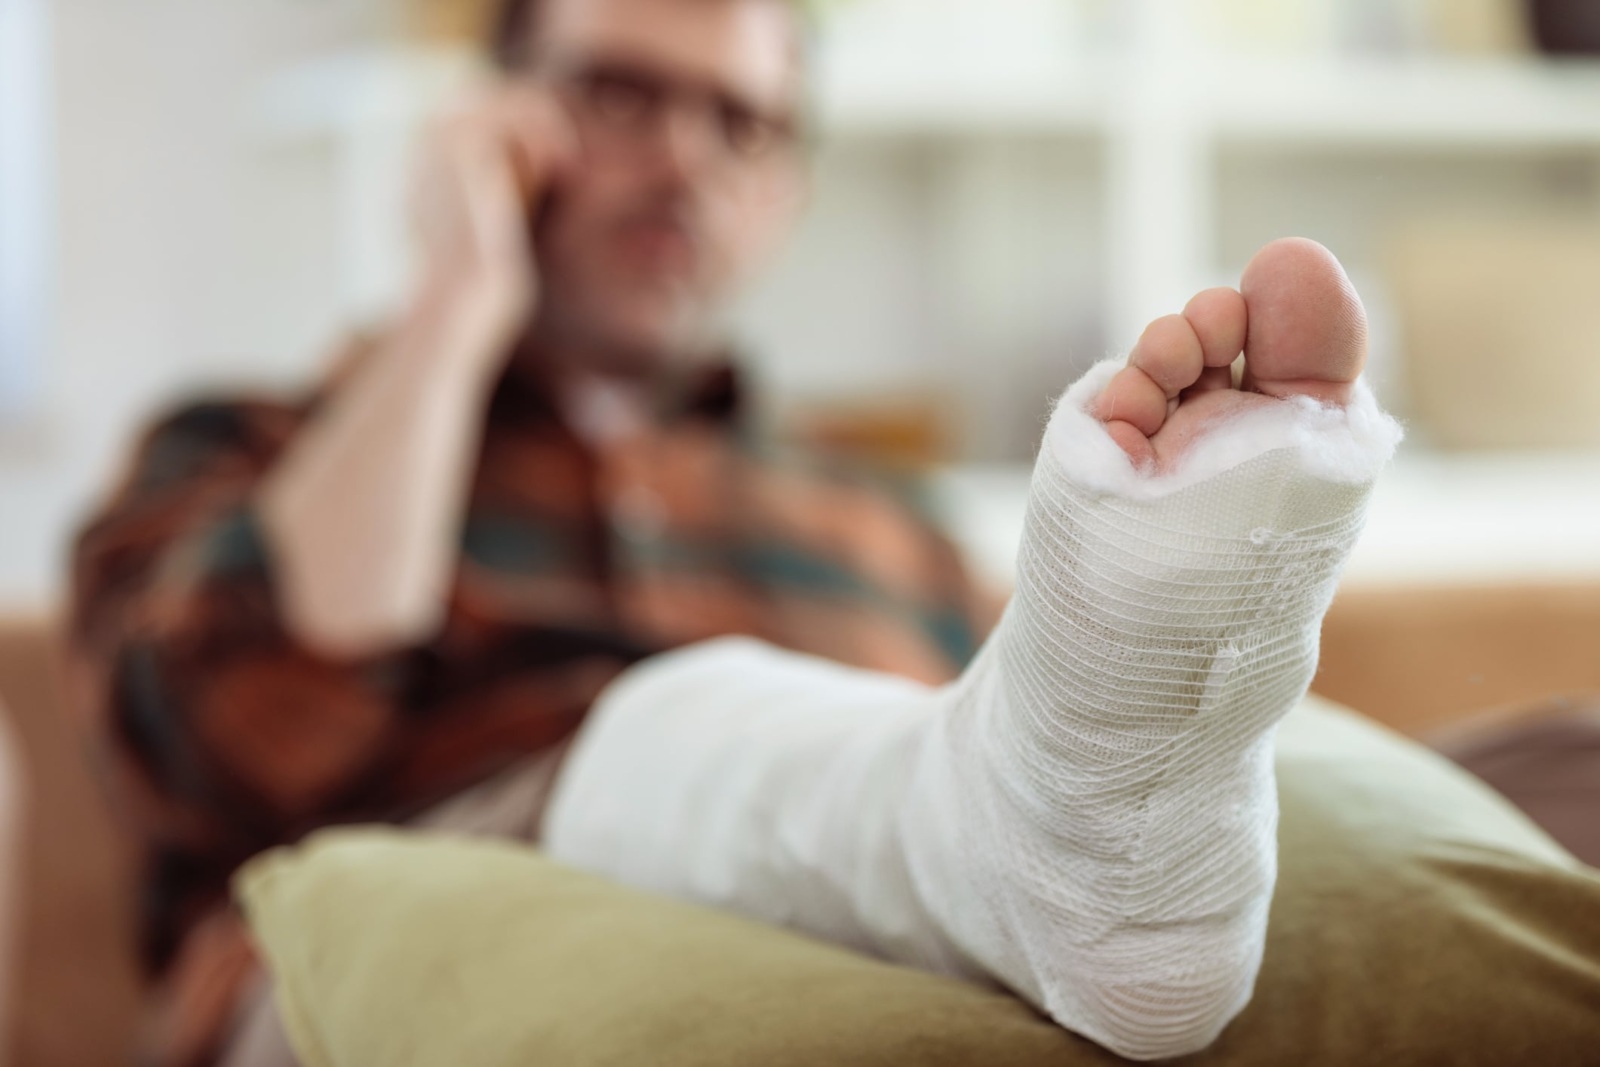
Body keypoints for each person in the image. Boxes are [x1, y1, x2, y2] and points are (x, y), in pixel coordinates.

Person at [63, 0, 1397, 1064]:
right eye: (619, 92)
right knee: (829, 771)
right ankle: (991, 839)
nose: (685, 155)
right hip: (404, 921)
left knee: (1550, 771)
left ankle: (1040, 855)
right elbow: (228, 748)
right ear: (490, 125)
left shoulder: (887, 520)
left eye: (741, 122)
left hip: (843, 931)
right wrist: (454, 304)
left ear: (787, 193)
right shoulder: (248, 447)